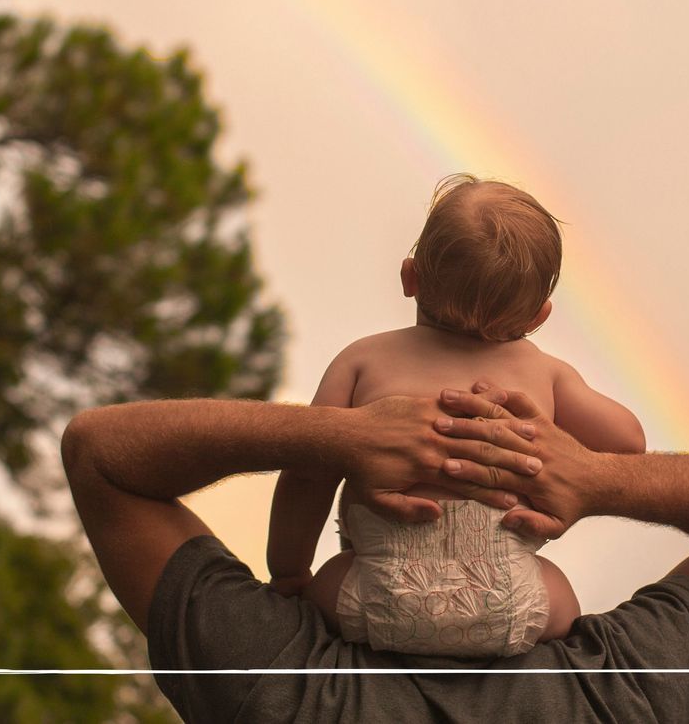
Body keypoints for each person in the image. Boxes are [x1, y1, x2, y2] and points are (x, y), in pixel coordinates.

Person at [62, 384, 689, 723]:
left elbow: (101, 454)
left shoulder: (288, 694)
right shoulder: (608, 699)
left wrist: (340, 436)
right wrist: (595, 476)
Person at [266, 174, 646, 657]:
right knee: (563, 598)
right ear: (538, 317)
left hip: (375, 595)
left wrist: (291, 573)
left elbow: (306, 472)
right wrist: (548, 435)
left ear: (410, 277)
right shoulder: (544, 373)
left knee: (326, 587)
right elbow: (630, 444)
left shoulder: (363, 359)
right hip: (509, 603)